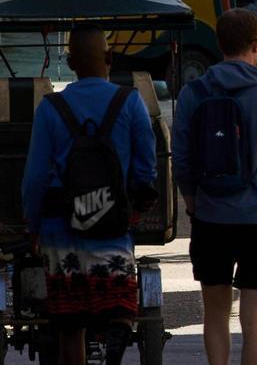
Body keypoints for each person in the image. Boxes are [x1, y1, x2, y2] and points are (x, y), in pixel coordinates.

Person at [172, 9, 257, 365]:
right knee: (255, 318)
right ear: (255, 45)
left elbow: (181, 161)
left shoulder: (193, 94)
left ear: (219, 44)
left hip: (211, 216)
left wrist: (192, 203)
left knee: (215, 314)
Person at [21, 25, 157, 365]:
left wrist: (32, 225)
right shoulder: (130, 102)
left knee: (69, 327)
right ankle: (116, 335)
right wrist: (136, 209)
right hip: (111, 224)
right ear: (109, 57)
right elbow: (146, 169)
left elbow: (35, 177)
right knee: (120, 305)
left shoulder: (50, 109)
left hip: (60, 230)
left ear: (69, 63)